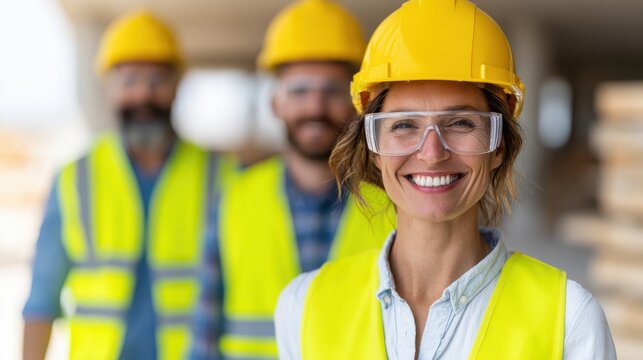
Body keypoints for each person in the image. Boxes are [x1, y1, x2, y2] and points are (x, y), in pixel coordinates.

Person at [275, 0, 617, 359]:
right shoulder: (304, 307)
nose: (432, 153)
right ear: (374, 149)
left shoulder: (568, 318)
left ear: (498, 145)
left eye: (461, 123)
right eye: (404, 125)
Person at [22, 10, 234, 360]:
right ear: (108, 87)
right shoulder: (75, 179)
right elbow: (41, 297)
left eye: (156, 80)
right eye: (130, 80)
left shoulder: (222, 175)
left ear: (177, 84)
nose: (143, 96)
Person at [190, 0, 395, 358]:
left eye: (331, 91)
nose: (315, 107)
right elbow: (204, 338)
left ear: (356, 104)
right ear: (276, 104)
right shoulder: (234, 198)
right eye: (299, 91)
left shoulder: (394, 202)